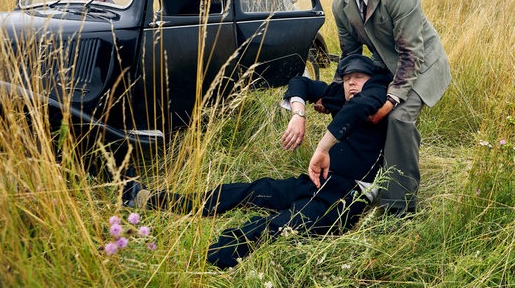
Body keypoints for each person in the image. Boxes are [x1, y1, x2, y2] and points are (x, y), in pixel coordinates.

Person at [122, 55, 390, 269]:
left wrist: (323, 147)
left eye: (359, 77)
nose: (352, 83)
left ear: (372, 80)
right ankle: (148, 199)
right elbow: (300, 82)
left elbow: (358, 110)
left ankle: (196, 260)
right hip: (318, 180)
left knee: (280, 226)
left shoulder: (375, 95)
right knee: (253, 190)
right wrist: (299, 113)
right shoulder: (341, 94)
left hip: (347, 194)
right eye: (347, 78)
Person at [330, 0, 452, 216]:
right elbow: (350, 57)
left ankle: (400, 207)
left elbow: (412, 55)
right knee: (355, 105)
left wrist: (390, 100)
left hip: (423, 65)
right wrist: (334, 95)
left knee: (397, 119)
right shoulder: (341, 5)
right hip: (387, 65)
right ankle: (362, 181)